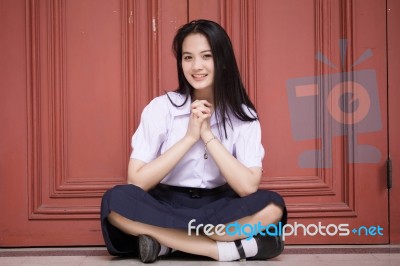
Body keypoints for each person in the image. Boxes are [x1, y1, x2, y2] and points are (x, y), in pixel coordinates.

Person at [100, 19, 287, 263]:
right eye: (188, 58)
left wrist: (207, 135)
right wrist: (190, 137)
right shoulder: (161, 108)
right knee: (116, 201)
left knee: (273, 205)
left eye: (206, 56)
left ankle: (166, 244)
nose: (196, 66)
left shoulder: (244, 116)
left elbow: (247, 187)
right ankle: (224, 249)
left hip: (219, 206)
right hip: (165, 204)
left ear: (222, 60)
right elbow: (136, 180)